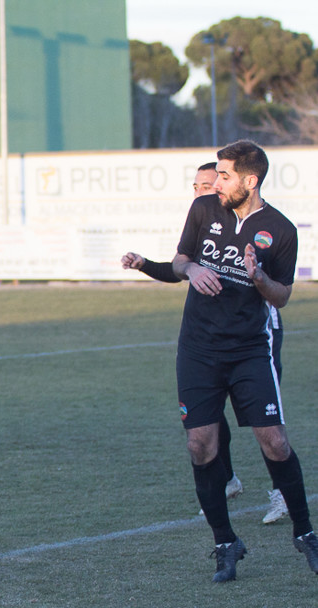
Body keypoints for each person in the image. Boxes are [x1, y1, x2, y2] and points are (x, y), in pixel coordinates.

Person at [171, 139, 318, 582]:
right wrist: (192, 269)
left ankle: (305, 534)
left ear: (250, 181)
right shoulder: (203, 210)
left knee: (274, 442)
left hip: (249, 350)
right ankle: (225, 542)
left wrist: (258, 277)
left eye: (225, 175)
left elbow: (283, 296)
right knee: (200, 444)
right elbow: (180, 259)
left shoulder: (281, 230)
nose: (216, 183)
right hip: (197, 349)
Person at [122, 162, 289, 525]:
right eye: (195, 186)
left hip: (256, 335)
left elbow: (277, 288)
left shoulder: (257, 224)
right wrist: (145, 264)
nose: (199, 192)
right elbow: (183, 268)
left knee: (266, 423)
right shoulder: (205, 217)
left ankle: (282, 492)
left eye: (207, 185)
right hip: (211, 339)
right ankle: (227, 479)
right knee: (208, 416)